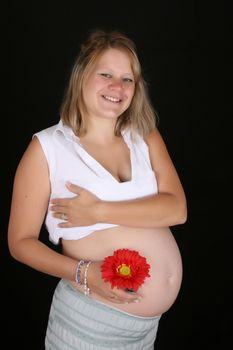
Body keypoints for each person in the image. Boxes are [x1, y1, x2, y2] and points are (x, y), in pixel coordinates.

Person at [8, 28, 187, 349]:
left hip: (146, 327)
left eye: (128, 78)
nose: (117, 87)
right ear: (81, 77)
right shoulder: (47, 148)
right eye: (105, 74)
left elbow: (177, 210)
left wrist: (98, 211)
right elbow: (20, 243)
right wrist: (83, 273)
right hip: (90, 318)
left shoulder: (144, 134)